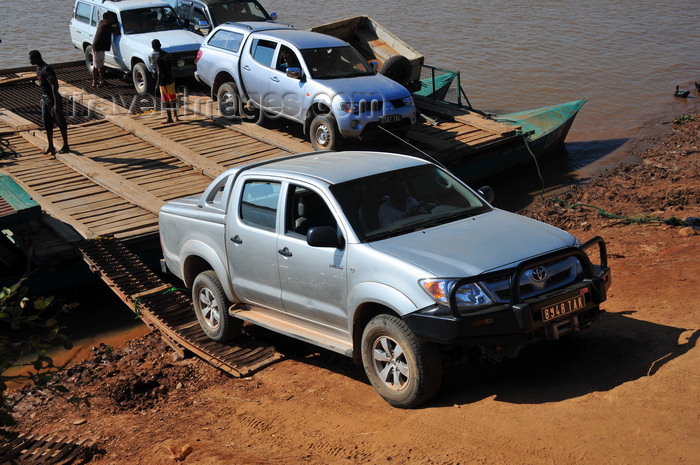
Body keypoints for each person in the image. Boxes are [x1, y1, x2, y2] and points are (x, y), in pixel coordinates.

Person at [29, 50, 69, 156]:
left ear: (37, 58)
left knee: (60, 122)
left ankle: (66, 145)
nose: (29, 61)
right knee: (47, 123)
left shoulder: (46, 69)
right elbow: (43, 86)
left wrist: (56, 104)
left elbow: (54, 86)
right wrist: (42, 99)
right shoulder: (38, 69)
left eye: (31, 59)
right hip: (45, 100)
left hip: (53, 99)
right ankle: (51, 146)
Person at [151, 39, 178, 123]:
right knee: (173, 99)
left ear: (153, 47)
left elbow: (160, 72)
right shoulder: (167, 54)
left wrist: (157, 84)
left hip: (164, 82)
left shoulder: (158, 58)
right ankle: (176, 116)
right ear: (160, 45)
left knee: (166, 100)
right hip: (171, 79)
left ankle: (169, 118)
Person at [91, 12, 117, 87]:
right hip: (99, 48)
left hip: (96, 46)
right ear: (108, 18)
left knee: (97, 64)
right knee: (99, 65)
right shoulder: (107, 25)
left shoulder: (101, 23)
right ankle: (97, 81)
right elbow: (115, 31)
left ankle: (97, 81)